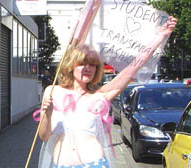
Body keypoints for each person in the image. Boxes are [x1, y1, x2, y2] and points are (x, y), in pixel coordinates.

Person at [38, 16, 177, 168]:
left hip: (95, 164)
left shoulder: (99, 96)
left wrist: (160, 36)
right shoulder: (52, 91)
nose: (88, 68)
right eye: (82, 64)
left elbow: (133, 67)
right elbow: (44, 136)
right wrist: (49, 113)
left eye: (93, 65)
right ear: (71, 66)